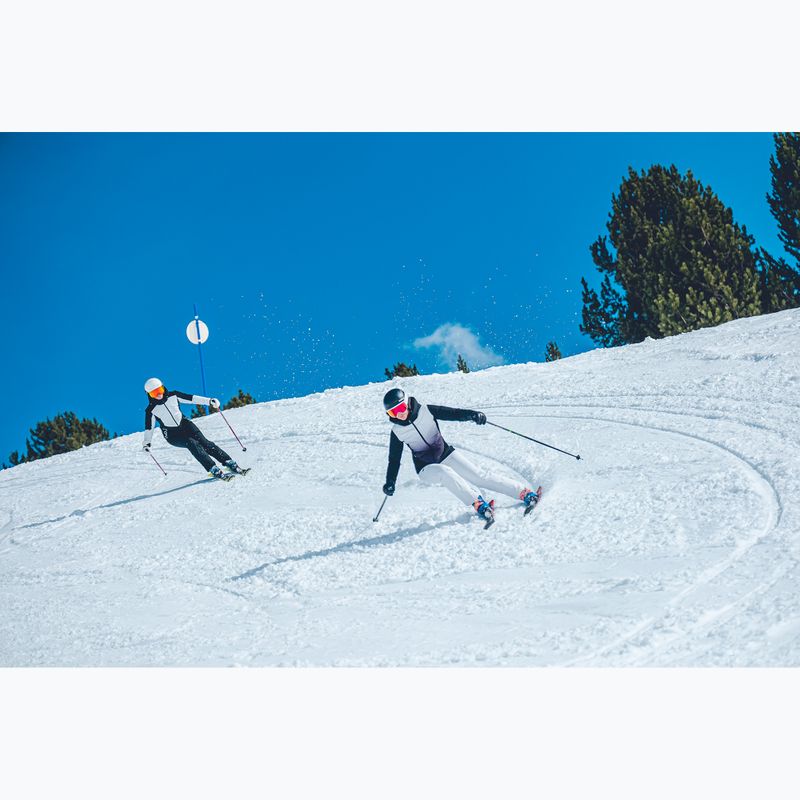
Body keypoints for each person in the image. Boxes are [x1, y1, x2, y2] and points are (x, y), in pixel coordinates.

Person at [381, 388, 539, 524]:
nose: (399, 414)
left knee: (479, 476)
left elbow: (453, 413)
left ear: (407, 402)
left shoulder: (426, 411)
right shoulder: (397, 431)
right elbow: (394, 459)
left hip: (446, 454)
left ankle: (524, 493)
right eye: (393, 412)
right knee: (444, 473)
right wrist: (390, 482)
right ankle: (478, 503)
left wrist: (473, 415)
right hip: (426, 468)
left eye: (400, 408)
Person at [142, 377, 246, 480]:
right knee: (191, 443)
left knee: (205, 442)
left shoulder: (173, 395)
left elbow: (191, 398)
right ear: (149, 395)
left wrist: (209, 401)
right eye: (154, 393)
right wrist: (147, 443)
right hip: (172, 434)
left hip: (185, 424)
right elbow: (149, 428)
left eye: (159, 390)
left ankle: (228, 461)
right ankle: (212, 468)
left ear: (163, 387)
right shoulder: (150, 410)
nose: (159, 395)